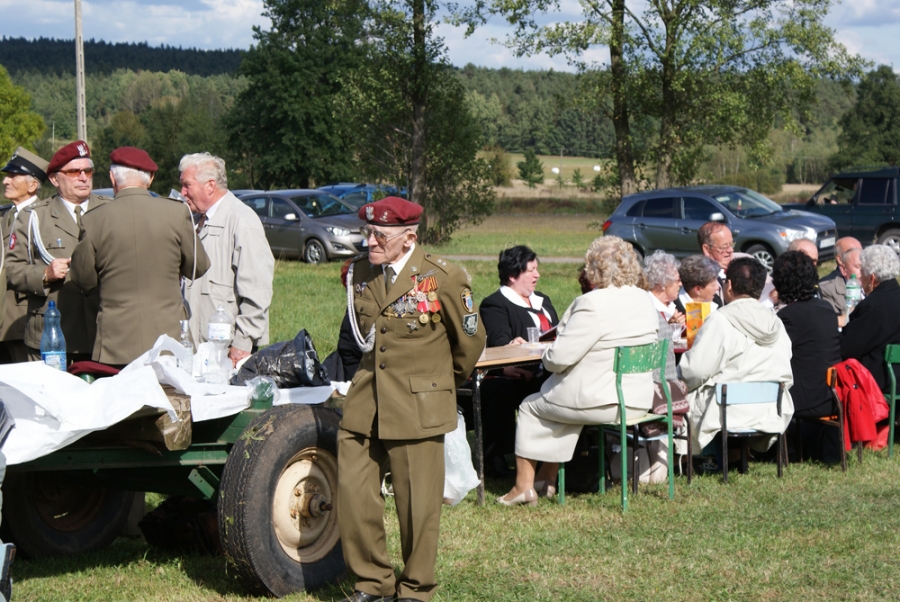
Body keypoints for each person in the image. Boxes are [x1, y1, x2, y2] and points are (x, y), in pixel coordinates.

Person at [337, 197, 485, 602]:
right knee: (353, 493)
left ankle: (416, 588)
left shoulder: (443, 278)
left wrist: (437, 385)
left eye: (380, 236)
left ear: (409, 238)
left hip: (418, 404)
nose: (370, 242)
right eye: (367, 232)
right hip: (366, 401)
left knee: (418, 505)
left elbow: (470, 341)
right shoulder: (360, 272)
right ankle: (373, 582)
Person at [497, 236, 658, 506]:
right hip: (637, 400)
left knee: (529, 406)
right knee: (564, 407)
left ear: (593, 268)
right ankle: (546, 479)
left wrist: (545, 353)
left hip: (600, 401)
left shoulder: (592, 303)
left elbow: (558, 359)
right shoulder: (644, 299)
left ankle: (523, 487)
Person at [70, 147, 211, 366]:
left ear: (112, 178)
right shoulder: (176, 213)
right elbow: (198, 266)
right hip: (169, 342)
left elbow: (83, 279)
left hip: (114, 345)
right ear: (151, 178)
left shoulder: (94, 220)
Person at [6, 140, 110, 362]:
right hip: (54, 335)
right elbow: (12, 270)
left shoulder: (110, 210)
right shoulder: (34, 216)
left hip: (104, 333)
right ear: (54, 179)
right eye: (74, 172)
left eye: (88, 171)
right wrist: (44, 274)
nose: (83, 177)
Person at [679, 257, 794, 453]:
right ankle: (734, 456)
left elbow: (695, 370)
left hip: (727, 411)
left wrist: (677, 377)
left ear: (729, 285)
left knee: (684, 393)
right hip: (770, 410)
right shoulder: (776, 322)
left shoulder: (720, 319)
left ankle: (691, 458)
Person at [179, 153, 274, 366]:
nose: (182, 192)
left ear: (210, 186)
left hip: (227, 351)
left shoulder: (242, 220)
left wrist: (243, 342)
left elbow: (257, 291)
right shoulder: (194, 220)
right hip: (196, 349)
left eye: (187, 185)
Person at [479, 245, 559, 476]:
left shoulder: (543, 300)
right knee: (500, 389)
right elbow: (499, 343)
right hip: (522, 373)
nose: (537, 275)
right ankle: (497, 456)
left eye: (537, 269)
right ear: (513, 275)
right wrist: (509, 361)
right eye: (531, 270)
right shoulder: (495, 304)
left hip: (551, 367)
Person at [772, 251, 842, 461]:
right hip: (830, 394)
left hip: (806, 399)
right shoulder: (826, 308)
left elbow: (773, 357)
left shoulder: (788, 316)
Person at [0, 147, 49, 363]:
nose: (5, 181)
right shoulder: (5, 215)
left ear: (32, 185)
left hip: (22, 320)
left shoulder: (43, 216)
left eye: (13, 176)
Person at [840, 244, 900, 393]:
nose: (860, 279)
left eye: (862, 273)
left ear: (872, 278)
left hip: (879, 386)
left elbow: (847, 348)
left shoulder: (872, 305)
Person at [819, 237, 863, 319]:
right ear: (840, 260)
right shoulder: (827, 287)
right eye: (852, 251)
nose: (860, 255)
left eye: (861, 251)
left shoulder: (872, 283)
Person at [698, 221, 733, 307]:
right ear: (707, 249)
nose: (730, 250)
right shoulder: (700, 280)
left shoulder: (743, 265)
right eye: (724, 246)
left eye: (731, 244)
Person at [645, 250, 684, 324]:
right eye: (678, 280)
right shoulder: (646, 306)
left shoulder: (675, 305)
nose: (681, 284)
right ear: (663, 283)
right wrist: (669, 326)